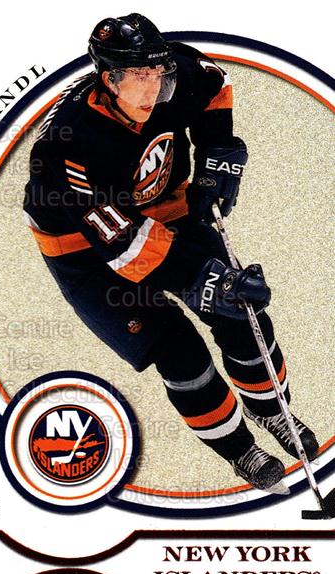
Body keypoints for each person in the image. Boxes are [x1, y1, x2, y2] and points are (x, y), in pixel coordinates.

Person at [23, 13, 318, 490]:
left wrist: (218, 155)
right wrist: (205, 277)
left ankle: (272, 411)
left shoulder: (177, 72)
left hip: (163, 207)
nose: (153, 89)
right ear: (108, 79)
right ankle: (240, 450)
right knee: (179, 350)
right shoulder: (68, 146)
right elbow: (121, 244)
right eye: (139, 77)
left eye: (158, 74)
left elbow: (214, 82)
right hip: (83, 247)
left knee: (242, 315)